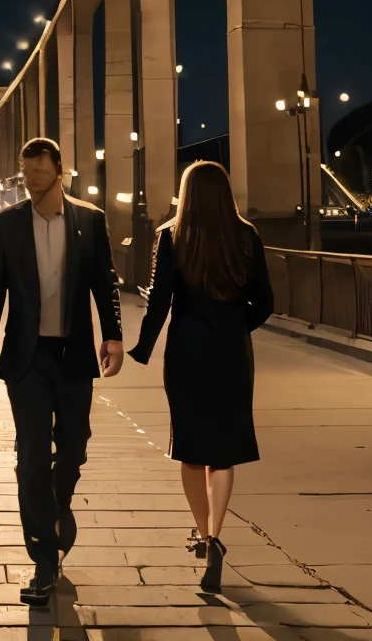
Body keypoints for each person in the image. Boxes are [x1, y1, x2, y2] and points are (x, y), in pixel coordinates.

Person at [0, 137, 123, 606]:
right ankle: (42, 558)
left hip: (74, 354)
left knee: (74, 447)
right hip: (28, 359)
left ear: (60, 171)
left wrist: (112, 335)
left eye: (40, 170)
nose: (32, 178)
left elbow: (105, 283)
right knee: (32, 453)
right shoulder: (7, 224)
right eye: (26, 171)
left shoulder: (90, 220)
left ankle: (59, 508)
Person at [129, 160, 273, 593]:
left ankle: (200, 531)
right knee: (223, 451)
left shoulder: (173, 236)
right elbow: (265, 301)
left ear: (186, 193)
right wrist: (233, 328)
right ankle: (216, 536)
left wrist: (142, 348)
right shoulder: (247, 235)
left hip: (187, 351)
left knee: (190, 449)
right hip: (231, 353)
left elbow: (159, 302)